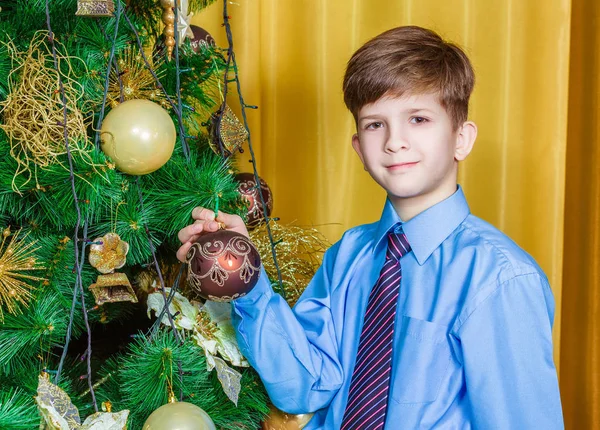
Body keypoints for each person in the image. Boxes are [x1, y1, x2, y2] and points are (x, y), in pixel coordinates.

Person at [177, 26, 563, 429]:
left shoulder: (499, 278)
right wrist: (247, 279)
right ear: (359, 148)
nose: (395, 141)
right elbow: (303, 388)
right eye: (376, 124)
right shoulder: (350, 253)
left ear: (461, 139)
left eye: (418, 118)